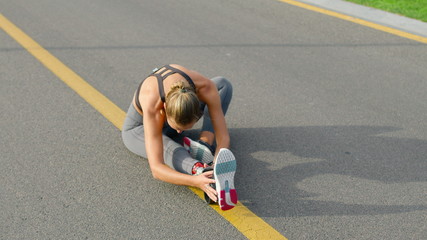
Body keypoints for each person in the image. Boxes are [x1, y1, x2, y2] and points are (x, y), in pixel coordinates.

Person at [122, 64, 237, 210]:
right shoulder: (153, 104)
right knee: (171, 148)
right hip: (138, 129)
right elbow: (157, 169)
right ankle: (200, 170)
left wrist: (217, 164)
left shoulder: (204, 87)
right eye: (178, 128)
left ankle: (205, 143)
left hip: (173, 113)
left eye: (185, 128)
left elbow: (224, 137)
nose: (179, 133)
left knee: (222, 84)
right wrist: (195, 181)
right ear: (164, 109)